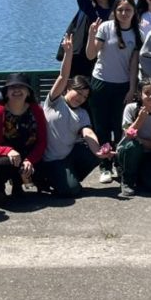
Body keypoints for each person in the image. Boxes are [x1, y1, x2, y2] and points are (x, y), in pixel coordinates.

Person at [35, 35, 113, 199]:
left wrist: (98, 151)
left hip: (67, 157)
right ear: (68, 89)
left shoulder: (82, 113)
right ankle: (53, 179)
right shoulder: (54, 102)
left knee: (91, 152)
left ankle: (66, 179)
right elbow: (63, 77)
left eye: (84, 97)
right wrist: (68, 53)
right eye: (78, 93)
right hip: (49, 160)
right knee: (72, 191)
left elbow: (88, 133)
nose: (80, 98)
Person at [85, 0, 141, 184]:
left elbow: (134, 65)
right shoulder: (105, 28)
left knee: (120, 127)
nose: (124, 13)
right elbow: (91, 55)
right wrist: (92, 35)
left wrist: (132, 89)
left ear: (134, 12)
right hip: (100, 82)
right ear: (114, 11)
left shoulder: (136, 33)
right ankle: (105, 166)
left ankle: (119, 162)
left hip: (123, 85)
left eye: (128, 10)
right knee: (101, 127)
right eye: (120, 10)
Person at [0, 73, 48, 205]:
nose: (17, 90)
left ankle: (18, 184)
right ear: (6, 92)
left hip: (25, 155)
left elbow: (42, 142)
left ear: (28, 92)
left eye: (21, 87)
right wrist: (7, 151)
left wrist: (30, 160)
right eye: (12, 87)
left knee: (46, 165)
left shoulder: (36, 110)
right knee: (7, 162)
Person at [116, 77, 151, 198]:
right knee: (133, 146)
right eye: (147, 93)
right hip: (129, 150)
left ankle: (138, 174)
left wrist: (138, 139)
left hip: (149, 153)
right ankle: (127, 180)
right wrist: (140, 119)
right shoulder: (131, 108)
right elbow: (128, 134)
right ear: (139, 94)